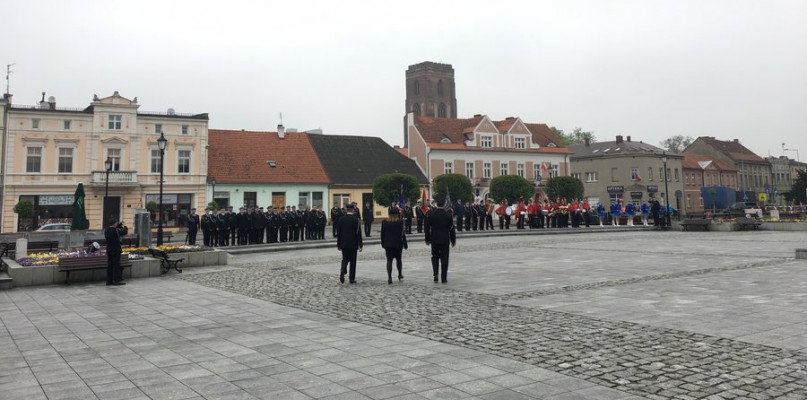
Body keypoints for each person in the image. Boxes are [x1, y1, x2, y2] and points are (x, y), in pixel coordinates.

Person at [424, 198, 456, 283]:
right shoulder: (448, 215)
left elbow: (427, 228)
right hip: (445, 240)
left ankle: (435, 275)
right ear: (444, 204)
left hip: (434, 239)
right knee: (444, 259)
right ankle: (444, 278)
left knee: (435, 257)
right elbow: (452, 229)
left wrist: (427, 239)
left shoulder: (431, 214)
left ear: (437, 204)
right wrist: (453, 240)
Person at [336, 203, 363, 284]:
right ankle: (351, 278)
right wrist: (360, 245)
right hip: (353, 244)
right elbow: (359, 233)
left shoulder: (341, 219)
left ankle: (342, 271)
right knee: (353, 261)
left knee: (345, 259)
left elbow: (339, 233)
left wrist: (338, 244)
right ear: (352, 210)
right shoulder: (356, 220)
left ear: (346, 210)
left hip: (344, 243)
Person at [380, 208, 408, 284]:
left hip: (388, 244)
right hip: (398, 244)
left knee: (389, 260)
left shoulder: (384, 222)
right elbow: (402, 234)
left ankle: (389, 277)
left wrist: (383, 243)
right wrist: (405, 244)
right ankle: (399, 274)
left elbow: (382, 234)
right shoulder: (400, 222)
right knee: (399, 259)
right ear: (396, 215)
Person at [105, 219, 128, 286]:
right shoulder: (115, 230)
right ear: (114, 224)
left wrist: (119, 225)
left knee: (110, 265)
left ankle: (109, 280)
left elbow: (117, 229)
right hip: (116, 250)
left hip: (109, 250)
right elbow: (124, 232)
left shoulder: (106, 230)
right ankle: (117, 280)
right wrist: (125, 226)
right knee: (116, 265)